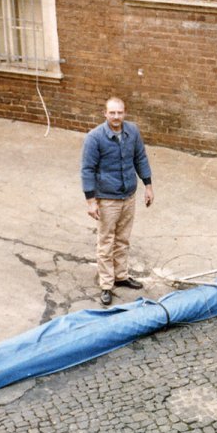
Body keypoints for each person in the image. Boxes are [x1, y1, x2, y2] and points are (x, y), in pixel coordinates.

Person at [81, 96, 154, 305]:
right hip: (107, 199)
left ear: (125, 113)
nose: (116, 116)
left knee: (123, 239)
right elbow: (87, 170)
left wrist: (148, 186)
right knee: (106, 242)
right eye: (112, 113)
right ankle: (106, 284)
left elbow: (140, 158)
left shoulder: (132, 132)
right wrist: (91, 201)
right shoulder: (94, 138)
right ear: (105, 114)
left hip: (128, 195)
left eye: (119, 112)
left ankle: (121, 276)